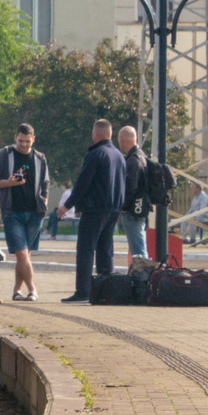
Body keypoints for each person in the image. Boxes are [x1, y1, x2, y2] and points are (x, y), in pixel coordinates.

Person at [67, 119, 127, 302]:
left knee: (86, 250)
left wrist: (68, 205)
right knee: (105, 250)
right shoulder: (119, 156)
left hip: (94, 210)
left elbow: (83, 183)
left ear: (96, 134)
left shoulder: (96, 154)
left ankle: (83, 291)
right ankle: (105, 291)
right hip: (114, 210)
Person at [0, 124, 50, 302]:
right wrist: (9, 182)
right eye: (20, 141)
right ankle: (33, 290)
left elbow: (46, 182)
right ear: (15, 137)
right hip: (12, 212)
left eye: (27, 141)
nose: (24, 145)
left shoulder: (40, 158)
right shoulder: (5, 155)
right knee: (22, 254)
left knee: (25, 255)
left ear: (33, 139)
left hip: (34, 213)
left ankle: (17, 290)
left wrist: (45, 200)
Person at [115, 125, 150, 260]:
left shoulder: (133, 160)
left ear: (122, 138)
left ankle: (143, 276)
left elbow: (130, 186)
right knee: (139, 246)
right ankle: (142, 274)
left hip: (132, 211)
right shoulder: (142, 156)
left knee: (138, 250)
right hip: (140, 208)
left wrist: (123, 206)